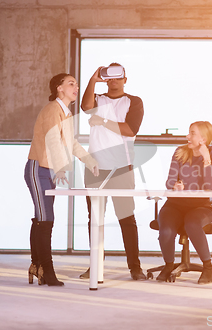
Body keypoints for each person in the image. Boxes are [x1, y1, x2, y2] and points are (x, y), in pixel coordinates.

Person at [24, 73, 98, 286]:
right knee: (45, 219)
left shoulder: (65, 114)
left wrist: (89, 160)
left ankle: (37, 265)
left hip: (50, 171)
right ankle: (47, 271)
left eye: (76, 83)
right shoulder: (52, 110)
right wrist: (61, 169)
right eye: (71, 83)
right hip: (39, 169)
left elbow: (72, 143)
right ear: (59, 88)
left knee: (43, 219)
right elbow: (54, 141)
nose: (76, 87)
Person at [80, 63, 146, 280]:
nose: (114, 82)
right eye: (109, 78)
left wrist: (103, 121)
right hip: (95, 168)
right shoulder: (98, 99)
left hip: (121, 168)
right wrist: (92, 78)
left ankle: (135, 267)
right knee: (95, 219)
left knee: (126, 218)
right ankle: (95, 265)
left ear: (125, 80)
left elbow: (129, 129)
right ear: (105, 80)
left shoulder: (134, 102)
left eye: (118, 78)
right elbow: (85, 106)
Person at [156, 121, 212, 284]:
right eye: (189, 132)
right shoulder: (180, 152)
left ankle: (207, 267)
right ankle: (169, 265)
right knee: (166, 229)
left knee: (192, 223)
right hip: (175, 204)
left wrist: (206, 158)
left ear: (203, 139)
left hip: (200, 207)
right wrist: (174, 185)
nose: (187, 136)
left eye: (192, 133)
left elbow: (209, 186)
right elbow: (169, 180)